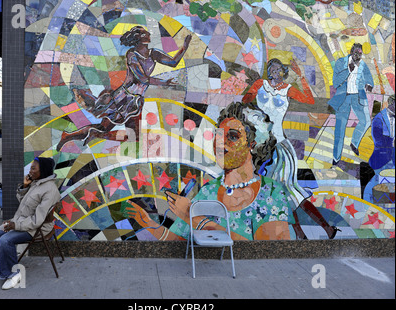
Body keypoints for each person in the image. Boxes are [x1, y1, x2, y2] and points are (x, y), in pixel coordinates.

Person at [165, 102, 296, 240]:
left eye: (233, 136)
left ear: (253, 144)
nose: (221, 142)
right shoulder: (208, 190)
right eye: (219, 134)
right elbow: (178, 242)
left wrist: (190, 216)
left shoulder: (270, 191)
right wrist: (147, 222)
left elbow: (266, 253)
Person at [242, 58, 339, 239]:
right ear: (269, 70)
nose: (275, 71)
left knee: (288, 191)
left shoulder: (287, 89)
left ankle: (323, 227)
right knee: (280, 194)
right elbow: (245, 100)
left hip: (279, 148)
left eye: (280, 69)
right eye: (272, 68)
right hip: (262, 146)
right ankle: (302, 232)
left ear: (284, 73)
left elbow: (309, 100)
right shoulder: (260, 84)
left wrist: (301, 76)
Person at [56, 26, 192, 150]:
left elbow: (173, 62)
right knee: (118, 131)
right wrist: (165, 83)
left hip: (136, 99)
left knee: (127, 134)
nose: (148, 33)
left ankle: (82, 135)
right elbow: (142, 78)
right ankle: (87, 135)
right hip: (124, 98)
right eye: (144, 33)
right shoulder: (132, 55)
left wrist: (184, 47)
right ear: (138, 38)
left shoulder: (153, 53)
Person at [0, 157, 61, 290]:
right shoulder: (36, 183)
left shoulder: (50, 190)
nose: (30, 171)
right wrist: (25, 186)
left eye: (34, 168)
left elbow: (37, 220)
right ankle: (3, 265)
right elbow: (24, 203)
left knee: (5, 240)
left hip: (37, 229)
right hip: (21, 222)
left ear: (42, 170)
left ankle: (13, 274)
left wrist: (15, 226)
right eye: (31, 167)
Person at [328, 43, 374, 165]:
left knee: (366, 121)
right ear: (351, 52)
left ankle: (354, 142)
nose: (358, 56)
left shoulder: (363, 65)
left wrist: (369, 84)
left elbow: (369, 77)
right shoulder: (341, 62)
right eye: (355, 54)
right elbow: (336, 82)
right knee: (340, 130)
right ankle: (336, 157)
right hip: (343, 98)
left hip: (357, 97)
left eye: (360, 54)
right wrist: (348, 70)